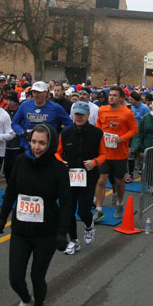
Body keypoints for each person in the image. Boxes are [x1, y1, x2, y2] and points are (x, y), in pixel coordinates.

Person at [0, 124, 71, 306]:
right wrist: (1, 219)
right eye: (34, 142)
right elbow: (11, 191)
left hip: (46, 232)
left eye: (42, 143)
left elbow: (66, 202)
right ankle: (25, 300)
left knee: (38, 275)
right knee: (15, 277)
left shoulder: (58, 169)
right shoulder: (21, 161)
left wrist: (63, 232)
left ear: (50, 144)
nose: (36, 147)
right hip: (21, 230)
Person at [56, 102, 106, 253]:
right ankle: (74, 240)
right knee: (68, 211)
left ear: (87, 116)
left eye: (81, 115)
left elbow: (104, 154)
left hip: (88, 177)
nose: (78, 117)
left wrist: (95, 162)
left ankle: (89, 225)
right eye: (76, 114)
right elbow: (57, 152)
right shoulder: (65, 133)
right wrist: (61, 162)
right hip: (69, 178)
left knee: (83, 210)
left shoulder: (97, 133)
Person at [94, 87, 138, 220]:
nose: (111, 97)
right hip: (105, 153)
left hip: (120, 153)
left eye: (114, 95)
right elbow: (98, 126)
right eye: (110, 95)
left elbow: (134, 130)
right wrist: (100, 136)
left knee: (119, 181)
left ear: (121, 98)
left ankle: (119, 203)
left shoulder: (127, 112)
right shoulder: (102, 110)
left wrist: (122, 138)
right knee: (101, 180)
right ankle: (99, 208)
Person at [12, 81, 72, 150]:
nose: (36, 95)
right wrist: (22, 133)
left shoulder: (55, 108)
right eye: (34, 92)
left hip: (48, 148)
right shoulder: (25, 105)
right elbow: (14, 123)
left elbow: (69, 123)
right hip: (27, 147)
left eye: (39, 92)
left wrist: (58, 136)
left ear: (46, 93)